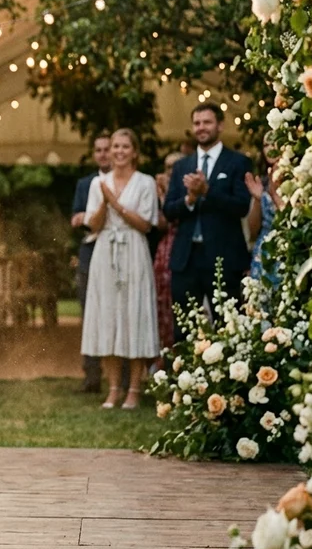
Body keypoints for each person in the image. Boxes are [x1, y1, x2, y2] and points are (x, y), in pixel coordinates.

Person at [81, 129, 159, 410]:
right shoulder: (97, 183)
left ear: (134, 151)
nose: (119, 151)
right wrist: (104, 201)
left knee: (134, 316)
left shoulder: (145, 182)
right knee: (108, 317)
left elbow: (146, 224)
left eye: (125, 146)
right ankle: (113, 389)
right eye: (115, 146)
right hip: (105, 251)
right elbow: (94, 225)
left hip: (134, 249)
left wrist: (116, 202)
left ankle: (135, 390)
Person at [163, 102, 253, 340]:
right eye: (197, 123)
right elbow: (169, 210)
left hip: (223, 257)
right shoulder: (183, 165)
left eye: (207, 122)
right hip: (186, 258)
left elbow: (241, 206)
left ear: (220, 126)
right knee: (184, 329)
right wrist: (190, 199)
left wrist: (207, 191)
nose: (201, 128)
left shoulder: (237, 162)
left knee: (229, 327)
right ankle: (182, 377)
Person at [70, 135, 111, 393]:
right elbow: (75, 219)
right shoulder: (85, 184)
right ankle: (92, 375)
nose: (104, 154)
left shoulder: (128, 181)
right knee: (90, 315)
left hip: (118, 255)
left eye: (107, 149)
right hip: (90, 253)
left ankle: (124, 375)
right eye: (99, 150)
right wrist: (82, 218)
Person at [153, 152, 184, 357]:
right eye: (168, 166)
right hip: (166, 249)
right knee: (162, 304)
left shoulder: (189, 189)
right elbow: (159, 223)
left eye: (176, 166)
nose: (171, 171)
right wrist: (162, 196)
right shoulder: (159, 190)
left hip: (185, 246)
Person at [247, 138, 283, 282]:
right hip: (263, 252)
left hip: (286, 251)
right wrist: (257, 199)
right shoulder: (262, 181)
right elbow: (252, 231)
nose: (269, 148)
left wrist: (274, 196)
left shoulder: (298, 178)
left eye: (274, 142)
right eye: (265, 145)